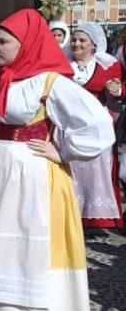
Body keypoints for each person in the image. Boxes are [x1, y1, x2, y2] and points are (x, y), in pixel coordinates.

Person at [0, 10, 114, 311]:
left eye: (4, 42)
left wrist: (63, 150)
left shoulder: (51, 82)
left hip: (32, 174)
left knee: (28, 247)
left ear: (26, 43)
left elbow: (99, 126)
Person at [66, 23, 124, 231]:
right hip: (67, 126)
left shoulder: (109, 66)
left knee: (95, 172)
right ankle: (69, 214)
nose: (76, 44)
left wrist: (117, 91)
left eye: (82, 40)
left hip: (96, 128)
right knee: (70, 171)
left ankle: (93, 217)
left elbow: (121, 88)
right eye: (74, 39)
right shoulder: (61, 66)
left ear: (94, 45)